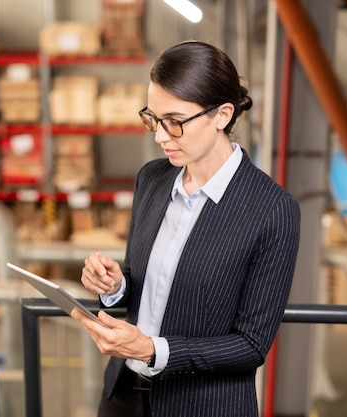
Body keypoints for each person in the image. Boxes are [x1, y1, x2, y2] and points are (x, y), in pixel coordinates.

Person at [70, 40, 301, 417]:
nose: (160, 136)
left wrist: (153, 349)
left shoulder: (272, 209)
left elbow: (251, 345)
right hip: (123, 395)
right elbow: (144, 286)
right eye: (153, 119)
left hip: (202, 406)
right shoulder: (153, 179)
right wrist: (115, 287)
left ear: (223, 115)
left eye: (175, 122)